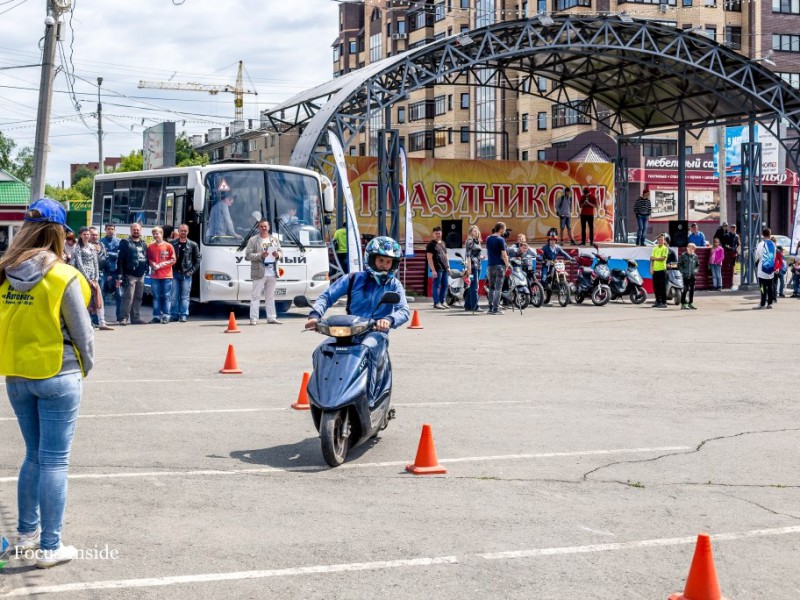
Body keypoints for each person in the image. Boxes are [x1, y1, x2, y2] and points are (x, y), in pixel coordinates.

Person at [0, 198, 94, 569]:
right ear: (58, 233)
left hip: (17, 375)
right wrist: (86, 366)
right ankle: (50, 546)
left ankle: (27, 535)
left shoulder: (4, 271)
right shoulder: (63, 275)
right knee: (55, 460)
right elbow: (82, 332)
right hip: (58, 372)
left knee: (34, 456)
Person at [305, 236, 409, 395]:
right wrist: (315, 315)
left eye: (389, 262)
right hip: (350, 330)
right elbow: (327, 296)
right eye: (381, 260)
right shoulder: (353, 279)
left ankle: (370, 397)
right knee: (321, 350)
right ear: (371, 259)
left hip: (376, 332)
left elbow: (403, 310)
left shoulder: (394, 284)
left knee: (369, 350)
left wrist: (388, 320)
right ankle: (325, 392)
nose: (384, 265)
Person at [72, 226, 113, 331]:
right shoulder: (77, 248)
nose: (86, 236)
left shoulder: (92, 247)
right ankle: (85, 323)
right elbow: (79, 264)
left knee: (98, 299)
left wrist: (95, 277)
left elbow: (95, 262)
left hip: (93, 277)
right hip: (82, 277)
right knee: (85, 300)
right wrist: (87, 279)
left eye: (87, 234)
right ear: (80, 235)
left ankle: (102, 322)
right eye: (84, 234)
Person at [245, 219, 283, 325]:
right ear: (258, 228)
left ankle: (271, 317)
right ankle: (254, 318)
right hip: (259, 272)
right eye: (261, 226)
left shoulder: (274, 239)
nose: (264, 228)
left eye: (265, 226)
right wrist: (260, 255)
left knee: (270, 296)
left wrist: (278, 255)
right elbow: (248, 255)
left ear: (269, 227)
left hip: (272, 271)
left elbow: (280, 252)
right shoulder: (253, 240)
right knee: (255, 296)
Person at [117, 222, 149, 325]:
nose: (136, 231)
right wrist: (120, 275)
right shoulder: (125, 242)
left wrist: (146, 270)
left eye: (138, 229)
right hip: (130, 274)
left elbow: (145, 257)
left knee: (138, 297)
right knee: (128, 297)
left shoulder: (143, 243)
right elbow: (120, 259)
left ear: (141, 230)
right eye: (134, 229)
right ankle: (123, 318)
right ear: (131, 230)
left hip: (141, 275)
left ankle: (135, 318)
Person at [170, 223, 201, 323]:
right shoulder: (172, 243)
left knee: (185, 296)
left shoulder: (193, 244)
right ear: (178, 231)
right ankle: (174, 315)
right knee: (174, 296)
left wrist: (191, 271)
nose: (183, 232)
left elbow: (198, 260)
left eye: (185, 231)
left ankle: (183, 315)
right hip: (174, 273)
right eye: (181, 230)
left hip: (186, 274)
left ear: (188, 232)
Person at [146, 226, 175, 324]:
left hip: (167, 276)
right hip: (155, 276)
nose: (155, 235)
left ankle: (166, 316)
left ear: (161, 234)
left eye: (157, 233)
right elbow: (149, 258)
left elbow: (173, 259)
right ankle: (156, 316)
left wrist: (161, 265)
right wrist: (152, 264)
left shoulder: (168, 246)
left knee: (166, 296)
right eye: (154, 234)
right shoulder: (151, 246)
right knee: (156, 296)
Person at [485, 222, 511, 315]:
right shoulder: (501, 240)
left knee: (491, 287)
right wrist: (507, 264)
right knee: (498, 288)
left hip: (490, 265)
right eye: (504, 229)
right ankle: (495, 309)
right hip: (499, 265)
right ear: (500, 229)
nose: (504, 231)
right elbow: (504, 254)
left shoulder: (488, 238)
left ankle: (490, 308)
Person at [100, 223, 122, 323]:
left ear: (114, 230)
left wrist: (108, 253)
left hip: (116, 272)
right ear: (105, 230)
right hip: (104, 272)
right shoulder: (101, 242)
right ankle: (101, 318)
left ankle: (119, 317)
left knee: (119, 295)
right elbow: (100, 256)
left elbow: (119, 255)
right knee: (102, 295)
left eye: (112, 229)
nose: (110, 231)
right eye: (108, 229)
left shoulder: (119, 242)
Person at [426, 226, 450, 309]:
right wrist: (433, 270)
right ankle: (436, 302)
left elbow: (446, 255)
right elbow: (429, 258)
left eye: (439, 233)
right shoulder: (431, 244)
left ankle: (443, 301)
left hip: (445, 268)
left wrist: (448, 266)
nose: (438, 235)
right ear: (433, 234)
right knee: (436, 285)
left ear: (441, 233)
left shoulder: (443, 243)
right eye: (436, 233)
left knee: (445, 284)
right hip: (437, 268)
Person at [754, 227, 776, 309]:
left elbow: (757, 256)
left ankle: (762, 303)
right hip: (770, 270)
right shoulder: (773, 244)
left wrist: (756, 264)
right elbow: (774, 256)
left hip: (762, 270)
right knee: (770, 287)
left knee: (762, 287)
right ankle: (769, 303)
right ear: (770, 234)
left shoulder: (761, 244)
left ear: (763, 235)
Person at [463, 225, 483, 312]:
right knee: (474, 286)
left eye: (477, 230)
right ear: (471, 232)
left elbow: (476, 254)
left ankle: (467, 305)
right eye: (474, 231)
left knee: (473, 286)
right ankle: (475, 306)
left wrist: (481, 257)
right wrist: (469, 267)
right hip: (473, 265)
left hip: (478, 264)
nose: (476, 232)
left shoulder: (477, 241)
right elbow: (468, 255)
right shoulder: (470, 241)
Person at [678, 242, 699, 310]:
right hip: (685, 276)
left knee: (692, 290)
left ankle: (690, 303)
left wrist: (695, 271)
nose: (690, 249)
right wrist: (683, 272)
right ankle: (683, 304)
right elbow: (679, 265)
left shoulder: (695, 256)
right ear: (687, 248)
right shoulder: (683, 255)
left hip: (692, 276)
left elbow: (697, 266)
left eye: (692, 248)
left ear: (694, 249)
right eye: (689, 247)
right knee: (685, 289)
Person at [651, 233, 669, 308]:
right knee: (656, 287)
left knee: (662, 287)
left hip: (662, 269)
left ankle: (664, 302)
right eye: (659, 240)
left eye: (662, 240)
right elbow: (651, 259)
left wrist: (655, 258)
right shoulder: (655, 248)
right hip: (655, 270)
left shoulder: (665, 248)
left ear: (664, 241)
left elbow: (663, 258)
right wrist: (651, 268)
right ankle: (658, 302)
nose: (660, 241)